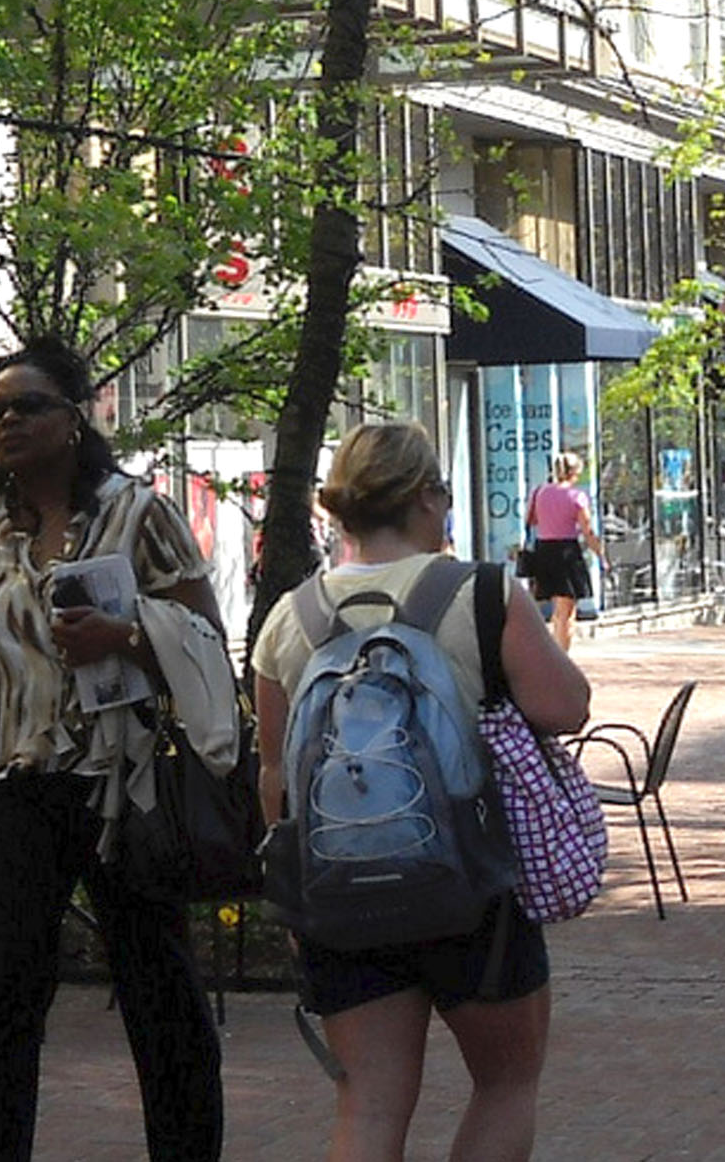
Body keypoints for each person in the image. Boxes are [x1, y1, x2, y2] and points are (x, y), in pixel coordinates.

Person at [250, 420, 591, 1161]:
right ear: (426, 497)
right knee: (505, 1083)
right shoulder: (482, 592)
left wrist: (296, 894)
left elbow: (274, 770)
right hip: (471, 886)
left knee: (368, 1107)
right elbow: (567, 707)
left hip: (340, 892)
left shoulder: (290, 616)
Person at [0, 336, 229, 1162]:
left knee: (158, 990)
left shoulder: (139, 512)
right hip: (10, 783)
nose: (6, 422)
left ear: (76, 417)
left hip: (119, 786)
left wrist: (125, 636)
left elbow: (206, 636)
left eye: (26, 406)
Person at [523, 451, 603, 651]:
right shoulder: (577, 497)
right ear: (574, 472)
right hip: (566, 551)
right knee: (566, 611)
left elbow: (530, 520)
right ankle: (562, 657)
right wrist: (600, 554)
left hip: (544, 550)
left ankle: (549, 650)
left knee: (553, 608)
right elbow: (588, 531)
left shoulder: (539, 492)